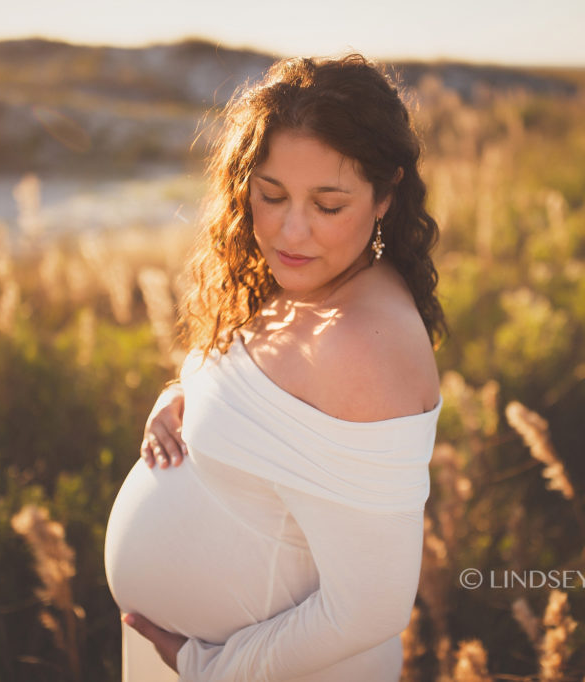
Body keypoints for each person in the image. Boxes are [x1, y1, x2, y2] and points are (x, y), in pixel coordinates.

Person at [104, 53, 446, 681]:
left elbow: (371, 609)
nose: (292, 230)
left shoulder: (366, 345)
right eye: (271, 195)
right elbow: (280, 407)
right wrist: (185, 395)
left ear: (385, 196)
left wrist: (210, 669)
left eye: (328, 204)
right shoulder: (304, 283)